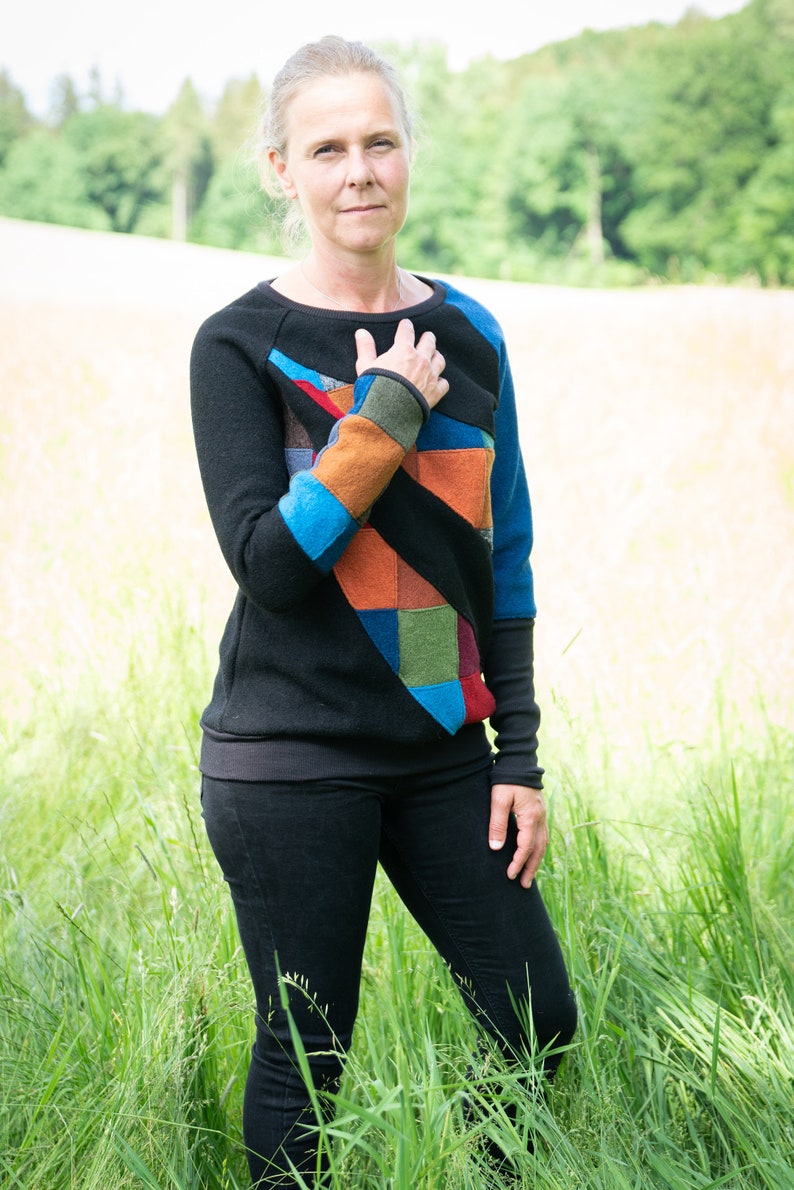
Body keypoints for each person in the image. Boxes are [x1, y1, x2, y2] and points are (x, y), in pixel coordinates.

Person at [189, 35, 577, 1187]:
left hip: (444, 753)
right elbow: (269, 564)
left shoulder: (471, 335)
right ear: (280, 171)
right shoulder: (238, 346)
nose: (357, 169)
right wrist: (384, 415)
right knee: (307, 1059)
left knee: (535, 1019)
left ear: (406, 157)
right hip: (287, 755)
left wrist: (519, 751)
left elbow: (499, 558)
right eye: (326, 148)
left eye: (379, 141)